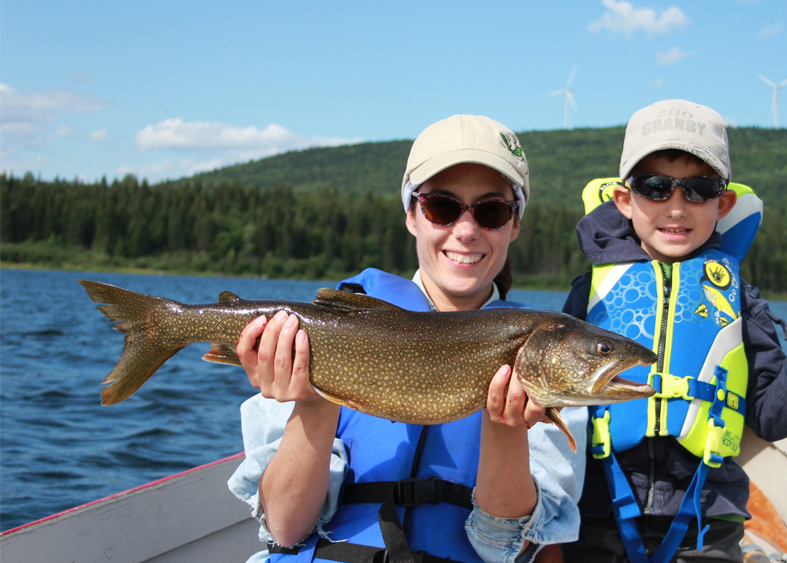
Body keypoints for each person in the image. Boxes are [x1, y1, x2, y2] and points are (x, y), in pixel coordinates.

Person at [227, 115, 586, 563]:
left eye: (491, 211)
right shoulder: (319, 335)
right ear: (412, 215)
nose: (467, 229)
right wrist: (315, 402)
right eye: (442, 207)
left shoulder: (545, 355)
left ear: (514, 225)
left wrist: (506, 431)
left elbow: (504, 550)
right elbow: (284, 527)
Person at [558, 99, 787, 563]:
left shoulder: (739, 299)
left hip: (706, 520)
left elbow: (772, 419)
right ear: (624, 200)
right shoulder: (589, 295)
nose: (677, 207)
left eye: (698, 189)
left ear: (723, 202)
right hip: (597, 513)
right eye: (655, 187)